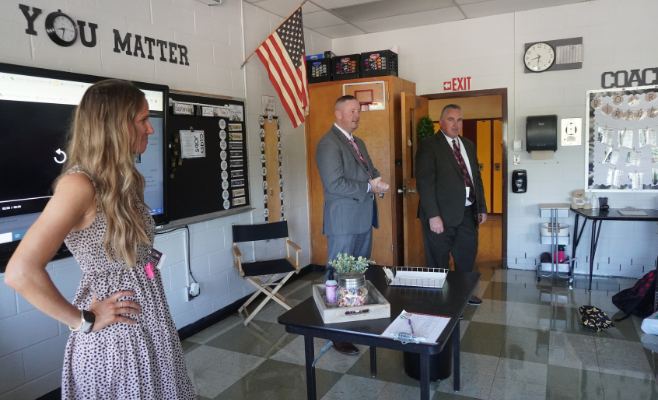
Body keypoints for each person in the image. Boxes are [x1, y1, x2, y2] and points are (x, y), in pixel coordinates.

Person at [4, 79, 196, 399]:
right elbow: (20, 272)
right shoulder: (79, 185)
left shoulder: (124, 181)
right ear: (115, 126)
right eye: (142, 120)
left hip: (149, 322)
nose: (150, 129)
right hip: (115, 339)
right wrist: (83, 321)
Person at [315, 95, 389, 355]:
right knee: (337, 276)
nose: (356, 115)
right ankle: (335, 333)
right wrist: (369, 186)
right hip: (344, 222)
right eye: (351, 111)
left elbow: (369, 171)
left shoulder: (358, 142)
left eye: (358, 111)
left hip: (362, 218)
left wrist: (377, 183)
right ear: (338, 114)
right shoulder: (328, 144)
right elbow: (334, 185)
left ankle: (352, 319)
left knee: (357, 275)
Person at [415, 104, 487, 305]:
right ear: (441, 122)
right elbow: (425, 182)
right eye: (451, 119)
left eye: (459, 120)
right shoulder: (429, 145)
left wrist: (481, 207)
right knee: (438, 261)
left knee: (466, 257)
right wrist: (432, 215)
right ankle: (442, 301)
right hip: (440, 215)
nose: (456, 124)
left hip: (468, 212)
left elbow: (476, 178)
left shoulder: (468, 145)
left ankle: (463, 295)